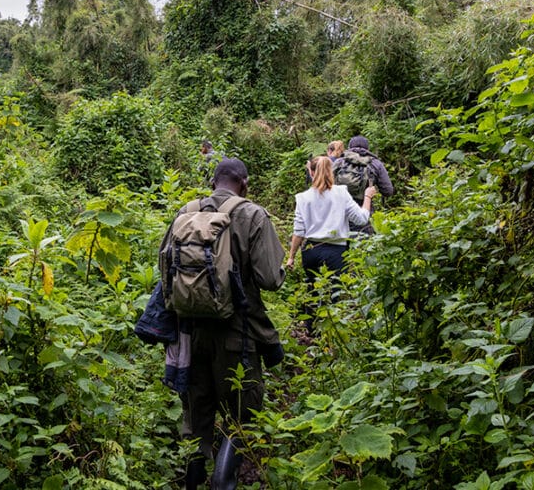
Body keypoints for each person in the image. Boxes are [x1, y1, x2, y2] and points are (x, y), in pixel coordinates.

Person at [159, 157, 286, 489]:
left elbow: (165, 274)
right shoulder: (252, 215)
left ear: (213, 182)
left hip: (189, 335)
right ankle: (223, 482)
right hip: (237, 336)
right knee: (243, 415)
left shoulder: (185, 212)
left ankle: (192, 482)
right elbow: (271, 278)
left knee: (197, 416)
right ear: (244, 183)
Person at [286, 156, 377, 329]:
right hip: (336, 251)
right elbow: (361, 218)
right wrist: (367, 196)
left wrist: (291, 257)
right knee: (334, 293)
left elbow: (298, 232)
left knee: (312, 288)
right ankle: (330, 334)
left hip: (311, 249)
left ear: (311, 172)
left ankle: (311, 330)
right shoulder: (341, 193)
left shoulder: (303, 198)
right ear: (332, 172)